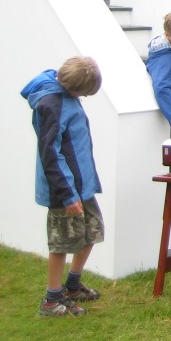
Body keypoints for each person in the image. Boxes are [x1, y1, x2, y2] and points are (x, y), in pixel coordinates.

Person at [20, 56, 104, 317]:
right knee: (62, 242)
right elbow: (50, 153)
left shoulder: (65, 94)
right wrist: (67, 194)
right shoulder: (52, 104)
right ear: (74, 88)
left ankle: (72, 285)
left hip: (82, 186)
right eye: (85, 94)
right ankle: (51, 300)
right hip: (64, 190)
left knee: (92, 231)